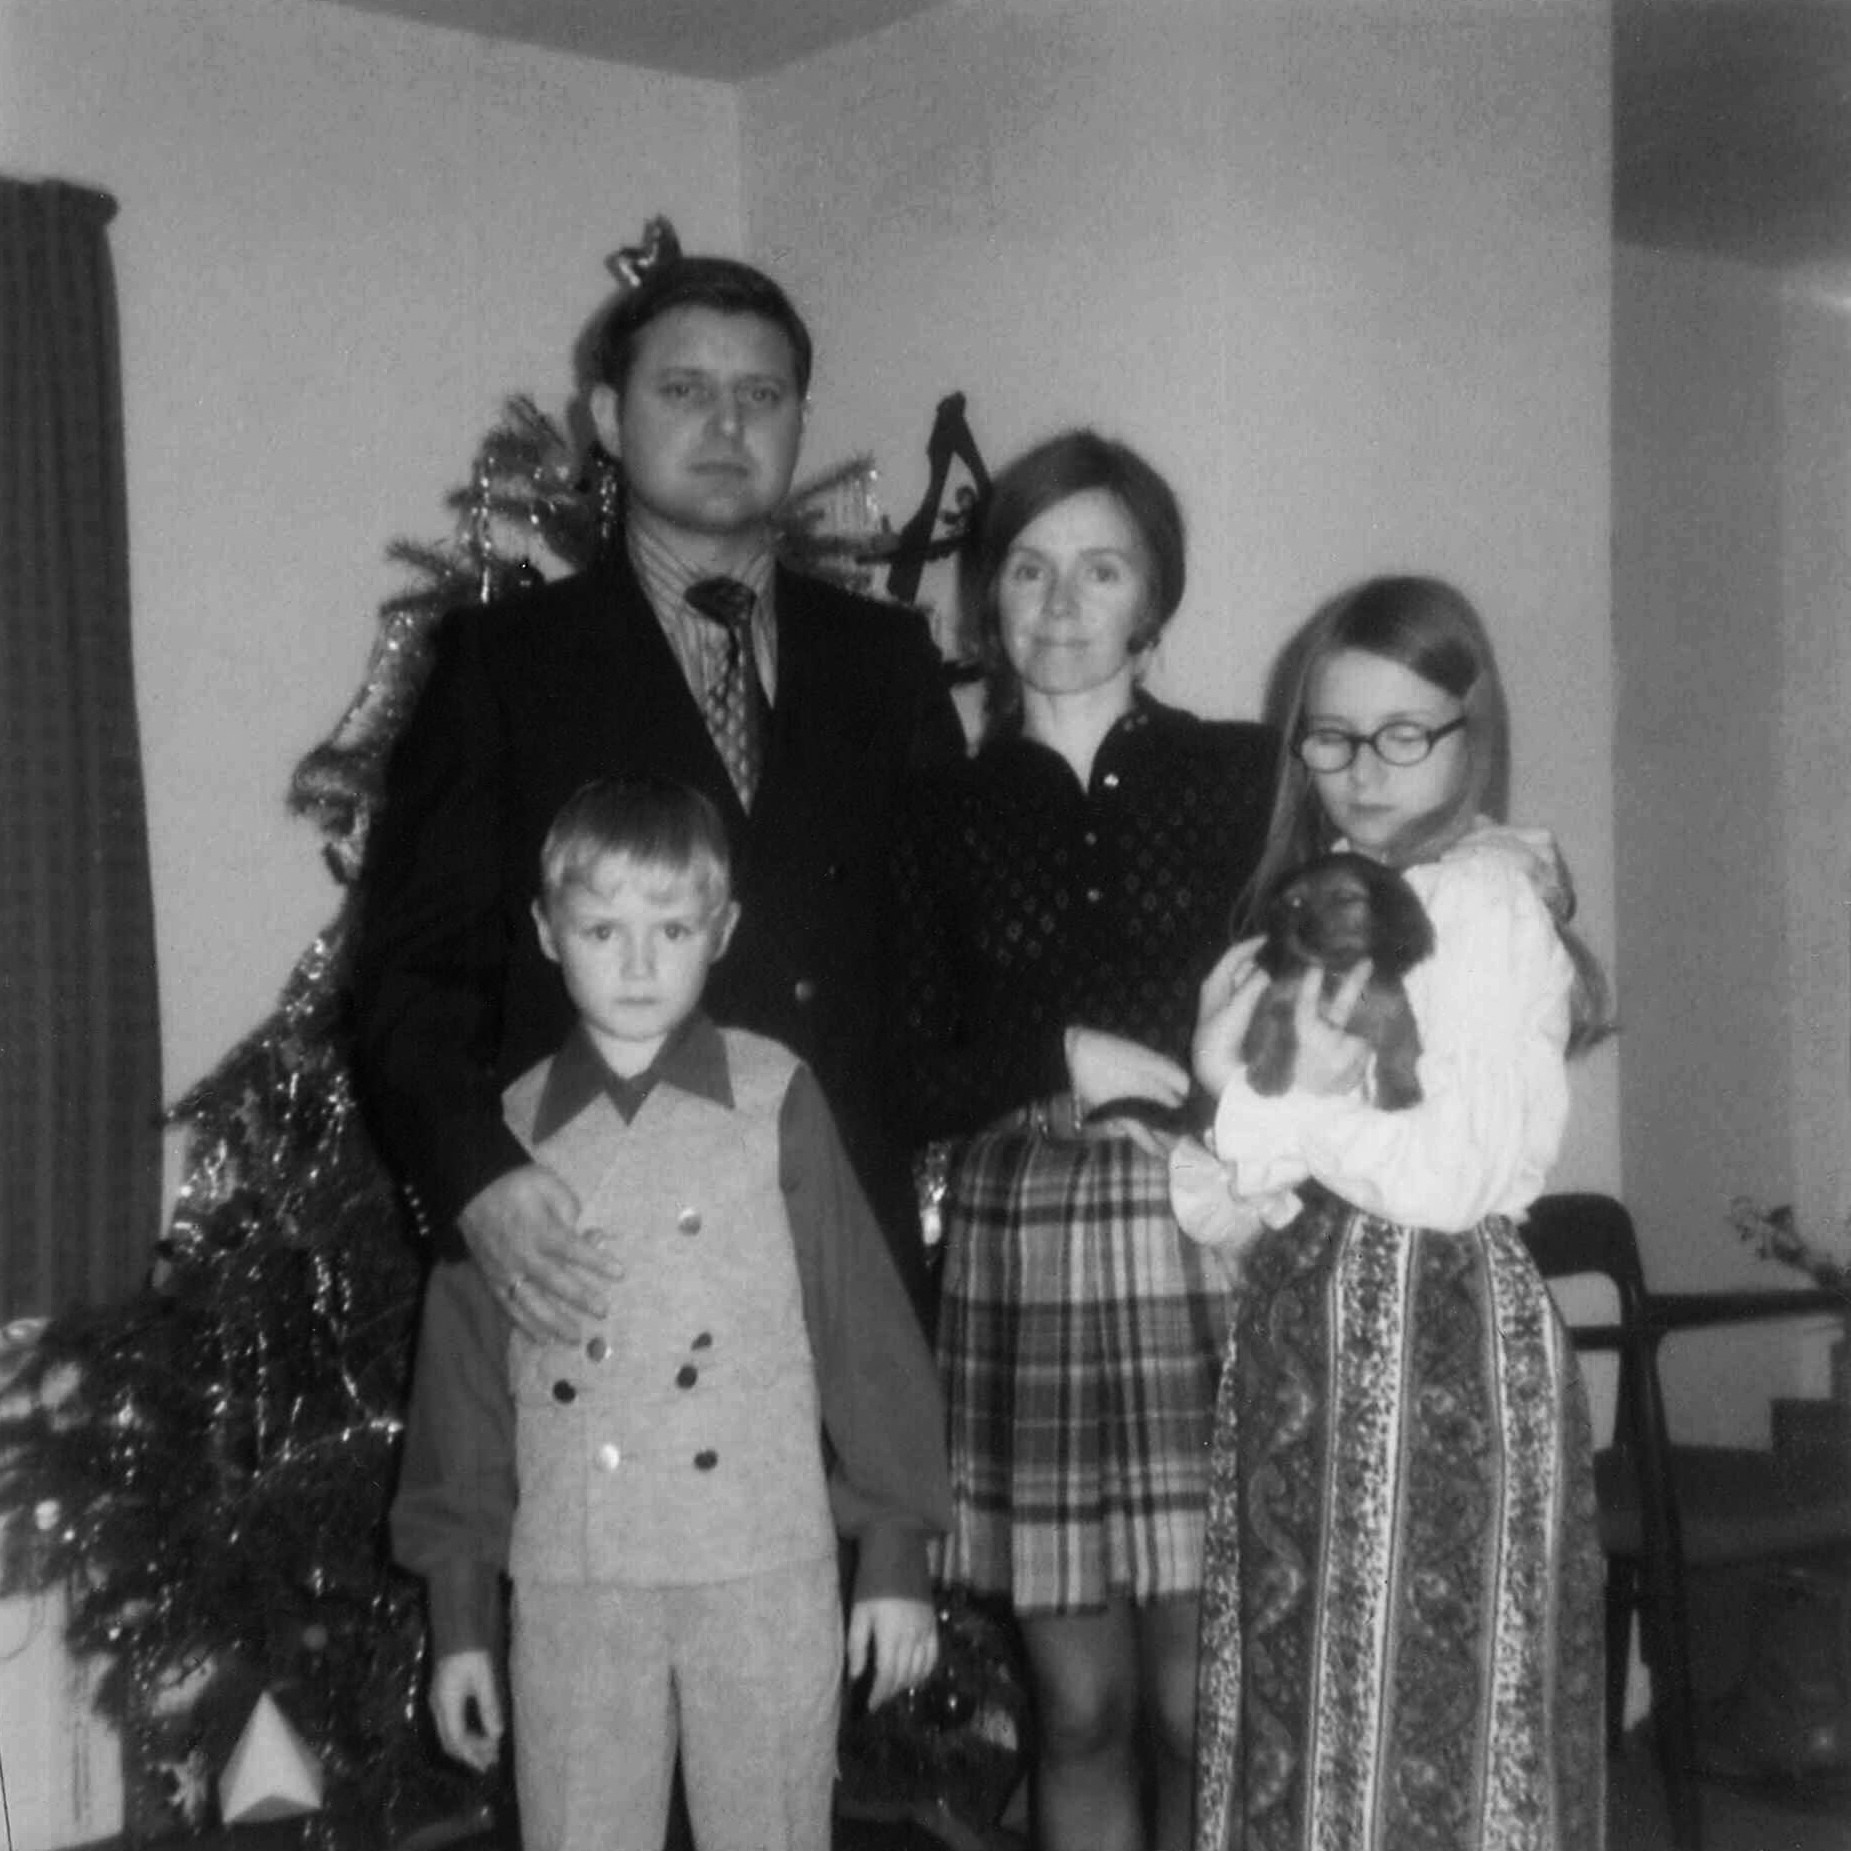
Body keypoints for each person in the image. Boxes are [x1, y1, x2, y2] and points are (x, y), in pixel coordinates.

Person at [349, 252, 964, 1338]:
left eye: (760, 396)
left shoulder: (888, 661)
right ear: (609, 418)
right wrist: (476, 1179)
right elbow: (413, 973)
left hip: (844, 1260)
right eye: (684, 391)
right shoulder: (505, 665)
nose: (727, 424)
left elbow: (949, 956)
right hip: (594, 1249)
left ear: (798, 420)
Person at [390, 776, 951, 1851]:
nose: (639, 964)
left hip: (762, 1560)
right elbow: (460, 1394)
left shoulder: (775, 1094)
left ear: (722, 930)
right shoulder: (501, 1136)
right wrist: (460, 1617)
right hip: (576, 1576)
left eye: (672, 928)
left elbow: (863, 1332)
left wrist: (895, 1551)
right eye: (603, 928)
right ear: (548, 933)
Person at [885, 429, 1276, 1851]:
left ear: (1149, 597)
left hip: (1203, 1238)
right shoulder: (932, 808)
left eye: (1097, 568)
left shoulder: (1245, 778)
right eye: (1028, 569)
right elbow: (899, 1068)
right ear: (988, 598)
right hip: (1022, 1259)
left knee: (1199, 1706)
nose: (1058, 602)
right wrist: (1055, 1058)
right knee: (1080, 1713)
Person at [1175, 574, 1609, 1851]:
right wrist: (1232, 1126)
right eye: (1332, 736)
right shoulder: (1334, 896)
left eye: (1404, 734)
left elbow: (1454, 1176)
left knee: (1428, 1734)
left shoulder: (1479, 901)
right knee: (1304, 1724)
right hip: (1312, 1345)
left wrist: (1259, 1104)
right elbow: (1247, 1188)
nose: (1363, 769)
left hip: (1436, 1348)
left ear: (1475, 736)